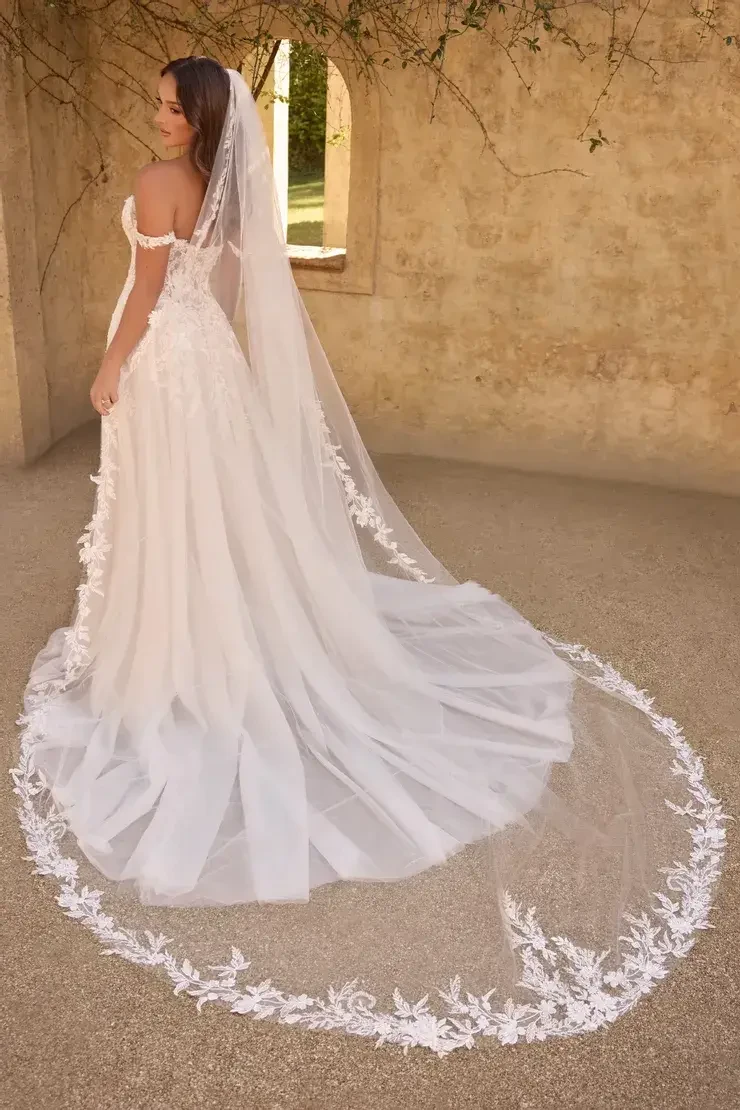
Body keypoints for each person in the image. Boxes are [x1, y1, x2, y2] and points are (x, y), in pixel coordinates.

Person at [15, 57, 726, 1054]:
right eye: (159, 109)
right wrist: (209, 369)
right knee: (217, 513)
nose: (161, 120)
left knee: (179, 512)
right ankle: (223, 628)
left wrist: (107, 370)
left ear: (202, 116)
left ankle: (184, 647)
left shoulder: (152, 182)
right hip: (207, 364)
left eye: (174, 109)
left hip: (164, 365)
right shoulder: (227, 186)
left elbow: (141, 295)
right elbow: (217, 292)